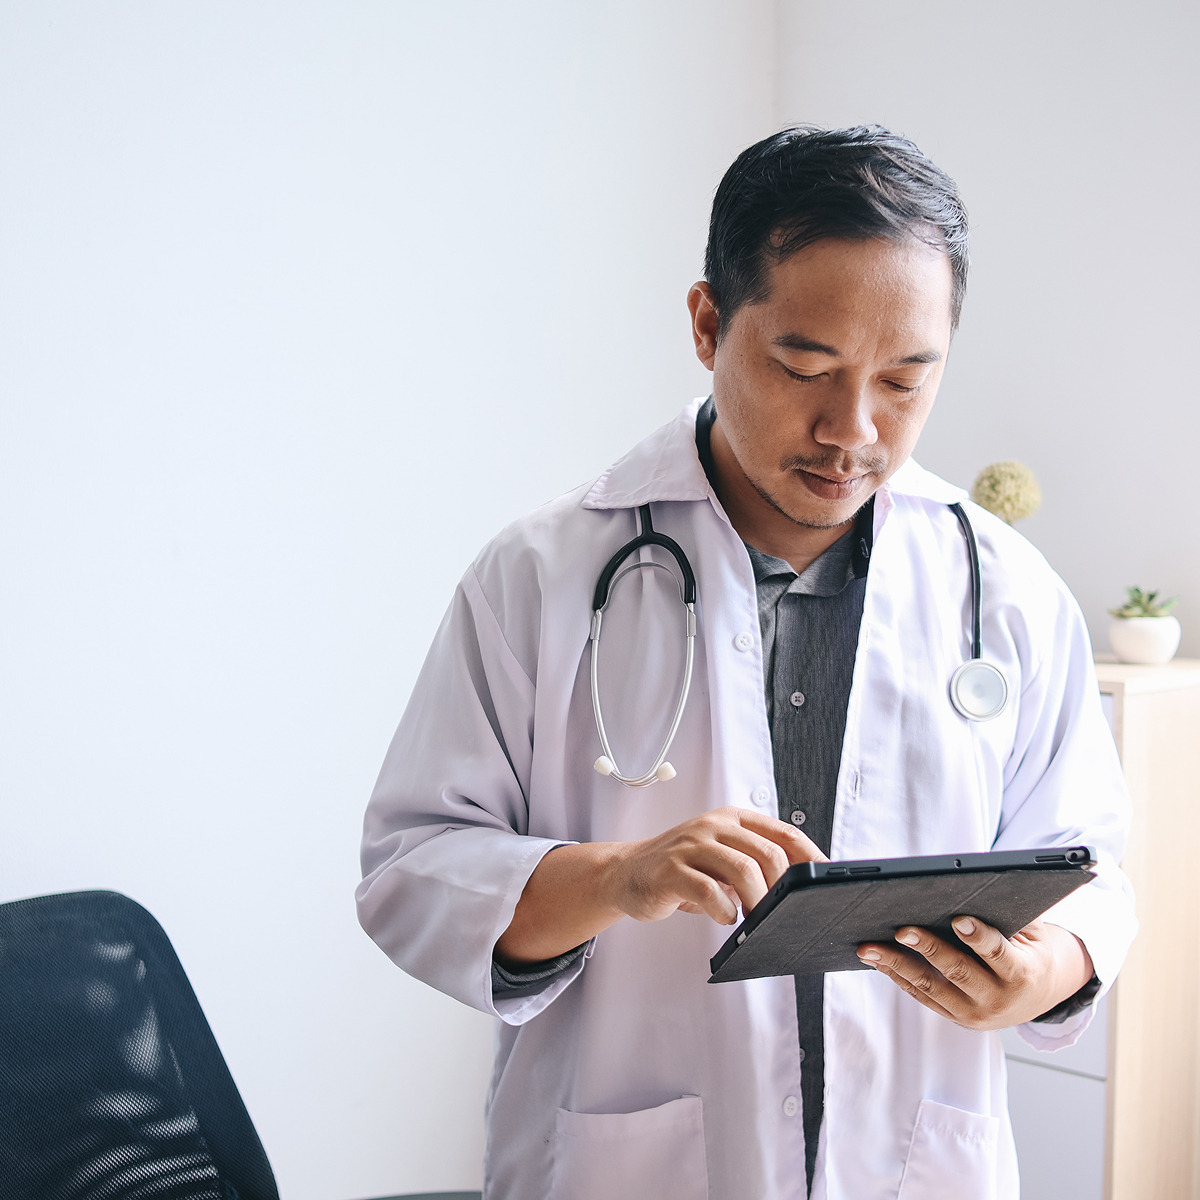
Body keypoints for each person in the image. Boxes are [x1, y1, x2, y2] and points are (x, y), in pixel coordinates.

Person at [356, 126, 1136, 1200]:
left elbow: (1089, 865)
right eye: (804, 366)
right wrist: (613, 878)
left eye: (906, 381)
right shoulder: (541, 576)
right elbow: (411, 869)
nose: (852, 429)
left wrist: (1045, 970)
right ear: (708, 323)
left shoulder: (1004, 587)